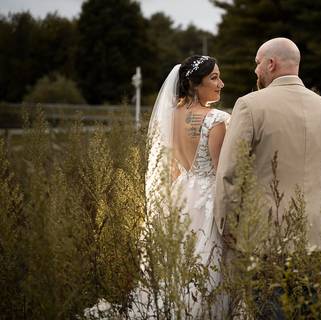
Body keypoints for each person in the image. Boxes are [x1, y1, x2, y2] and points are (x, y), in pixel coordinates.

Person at [85, 55, 230, 319]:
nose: (221, 83)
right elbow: (222, 173)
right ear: (193, 84)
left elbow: (172, 167)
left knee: (181, 263)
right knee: (207, 261)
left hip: (181, 196)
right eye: (214, 77)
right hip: (208, 197)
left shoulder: (171, 115)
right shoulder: (216, 119)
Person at [214, 38, 321, 315]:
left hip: (263, 233)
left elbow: (230, 172)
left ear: (271, 64)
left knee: (269, 308)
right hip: (309, 230)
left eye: (257, 63)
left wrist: (226, 224)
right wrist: (313, 210)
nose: (256, 70)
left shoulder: (249, 105)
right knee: (304, 307)